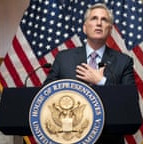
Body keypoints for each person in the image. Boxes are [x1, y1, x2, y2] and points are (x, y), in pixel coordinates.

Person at [43, 3, 136, 144]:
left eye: (104, 20)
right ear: (84, 28)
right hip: (70, 137)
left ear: (110, 30)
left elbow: (130, 101)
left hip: (108, 139)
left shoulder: (123, 61)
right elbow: (46, 95)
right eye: (94, 18)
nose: (99, 23)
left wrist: (102, 82)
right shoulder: (64, 58)